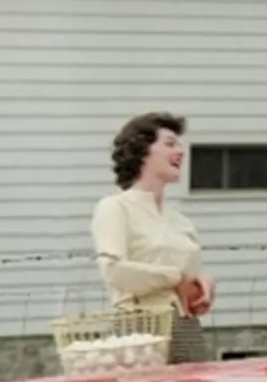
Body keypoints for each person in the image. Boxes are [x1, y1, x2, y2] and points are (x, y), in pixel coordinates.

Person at [90, 111, 214, 364]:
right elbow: (113, 271)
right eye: (169, 144)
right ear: (142, 150)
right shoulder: (115, 207)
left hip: (186, 329)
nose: (180, 151)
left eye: (180, 145)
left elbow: (188, 280)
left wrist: (203, 285)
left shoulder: (181, 221)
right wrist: (175, 277)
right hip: (139, 329)